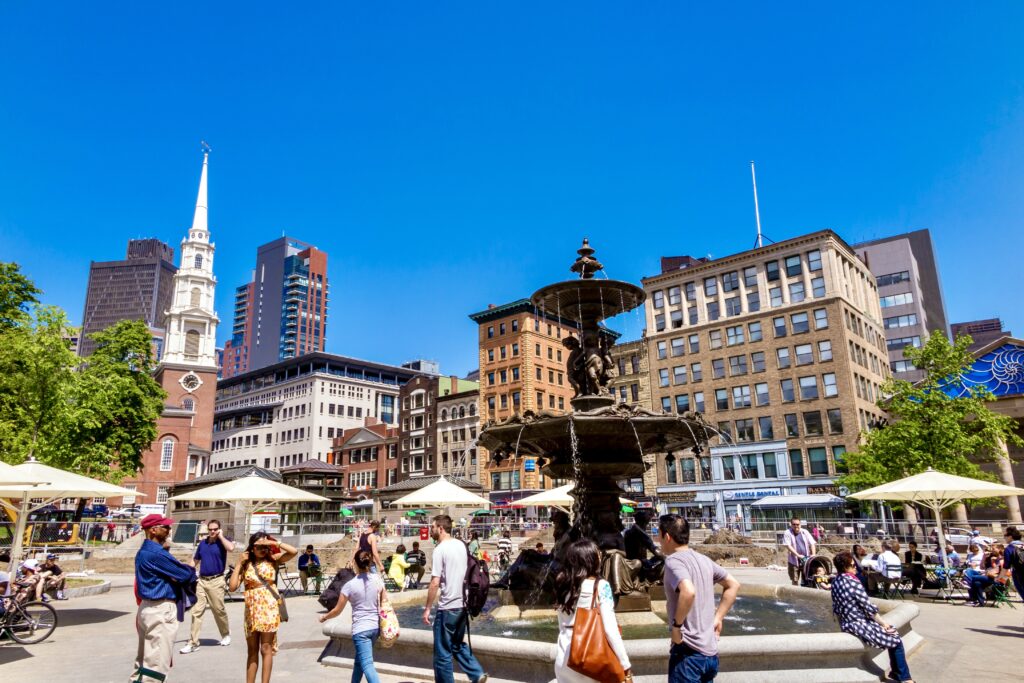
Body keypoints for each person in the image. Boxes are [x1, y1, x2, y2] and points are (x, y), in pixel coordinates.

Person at [659, 514, 741, 682]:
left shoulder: (673, 561)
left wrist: (676, 628)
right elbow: (733, 584)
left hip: (688, 653)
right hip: (710, 653)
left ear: (666, 536)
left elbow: (688, 591)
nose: (656, 539)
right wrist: (718, 618)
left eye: (657, 533)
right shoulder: (704, 560)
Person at [552, 538, 632, 682]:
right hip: (590, 659)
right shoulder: (601, 586)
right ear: (590, 559)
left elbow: (561, 626)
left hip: (564, 657)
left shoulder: (563, 584)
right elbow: (610, 630)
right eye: (598, 554)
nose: (600, 557)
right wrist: (625, 664)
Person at [421, 514, 488, 683]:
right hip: (463, 605)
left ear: (441, 528)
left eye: (433, 527)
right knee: (457, 644)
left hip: (447, 607)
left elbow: (435, 582)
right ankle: (476, 673)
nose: (431, 530)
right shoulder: (461, 545)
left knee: (442, 653)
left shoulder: (440, 549)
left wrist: (428, 608)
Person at [132, 514, 198, 683]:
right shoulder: (156, 553)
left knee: (144, 661)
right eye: (165, 527)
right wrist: (183, 571)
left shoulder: (145, 551)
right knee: (156, 664)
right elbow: (185, 574)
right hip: (160, 609)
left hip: (148, 608)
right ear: (153, 530)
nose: (169, 530)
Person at [830, 552, 914, 683]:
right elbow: (868, 607)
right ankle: (903, 677)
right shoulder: (852, 582)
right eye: (852, 565)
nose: (855, 568)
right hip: (858, 624)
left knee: (892, 636)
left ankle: (899, 674)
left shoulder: (836, 581)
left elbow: (836, 608)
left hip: (846, 623)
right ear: (846, 567)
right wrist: (883, 624)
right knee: (895, 638)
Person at [229, 532, 297, 683]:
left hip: (268, 608)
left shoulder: (273, 560)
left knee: (266, 648)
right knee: (252, 651)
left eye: (265, 547)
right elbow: (232, 587)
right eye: (259, 546)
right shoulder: (246, 564)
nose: (263, 549)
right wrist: (239, 563)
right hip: (252, 609)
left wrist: (274, 543)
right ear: (252, 548)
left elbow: (294, 551)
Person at [320, 549, 384, 683]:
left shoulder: (349, 586)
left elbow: (337, 610)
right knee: (359, 662)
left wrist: (325, 617)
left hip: (361, 630)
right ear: (370, 562)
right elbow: (384, 603)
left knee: (367, 664)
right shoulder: (378, 580)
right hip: (375, 628)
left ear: (354, 563)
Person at [181, 519, 234, 654]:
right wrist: (186, 571)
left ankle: (225, 634)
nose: (212, 531)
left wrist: (221, 536)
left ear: (219, 529)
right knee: (197, 611)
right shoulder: (203, 544)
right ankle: (193, 642)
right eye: (210, 529)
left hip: (216, 580)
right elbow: (196, 560)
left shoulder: (222, 542)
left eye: (215, 529)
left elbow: (231, 548)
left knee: (218, 609)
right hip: (202, 581)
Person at [782, 517, 816, 586]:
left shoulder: (805, 532)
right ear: (791, 524)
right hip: (794, 561)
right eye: (794, 524)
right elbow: (788, 546)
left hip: (806, 560)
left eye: (797, 524)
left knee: (807, 578)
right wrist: (798, 555)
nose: (796, 526)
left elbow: (812, 543)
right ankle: (795, 594)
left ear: (800, 524)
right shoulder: (787, 532)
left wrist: (813, 554)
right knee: (795, 579)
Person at [996, 526, 1024, 600]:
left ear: (1010, 537)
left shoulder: (1009, 548)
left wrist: (999, 577)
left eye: (1005, 536)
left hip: (1019, 573)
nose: (1004, 538)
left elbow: (1006, 566)